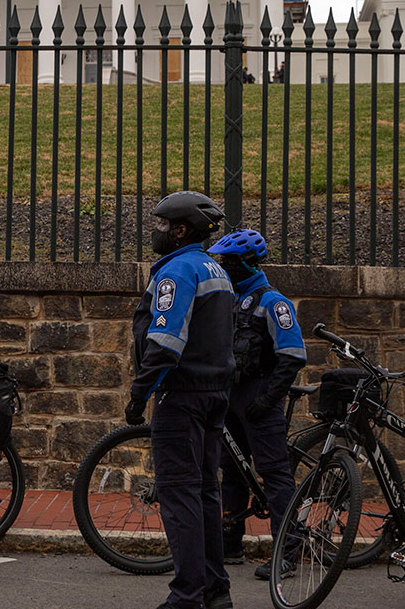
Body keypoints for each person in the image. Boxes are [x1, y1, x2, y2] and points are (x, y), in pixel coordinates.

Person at [126, 191, 236, 609]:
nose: (154, 231)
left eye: (160, 224)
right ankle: (215, 591)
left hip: (183, 395)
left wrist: (140, 392)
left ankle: (187, 596)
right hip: (215, 394)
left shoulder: (177, 271)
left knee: (179, 496)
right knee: (206, 492)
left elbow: (166, 342)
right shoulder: (216, 270)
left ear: (180, 230)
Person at [207, 228, 307, 580]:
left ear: (250, 262)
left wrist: (268, 398)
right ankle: (232, 543)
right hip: (228, 395)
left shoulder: (273, 302)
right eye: (223, 260)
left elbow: (294, 355)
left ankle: (288, 552)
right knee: (230, 470)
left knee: (276, 473)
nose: (225, 267)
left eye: (231, 262)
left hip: (260, 395)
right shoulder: (227, 299)